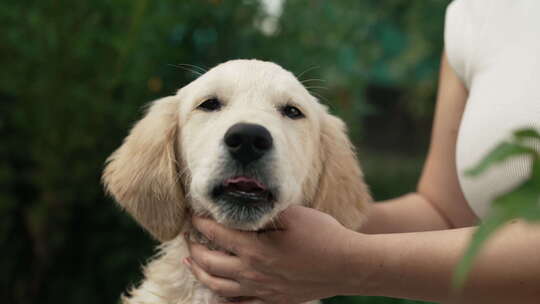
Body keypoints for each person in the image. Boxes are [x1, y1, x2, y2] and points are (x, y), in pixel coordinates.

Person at [183, 0, 540, 303]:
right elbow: (445, 214)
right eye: (211, 104)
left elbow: (347, 256)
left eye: (291, 112)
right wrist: (306, 217)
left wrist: (349, 262)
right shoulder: (475, 13)